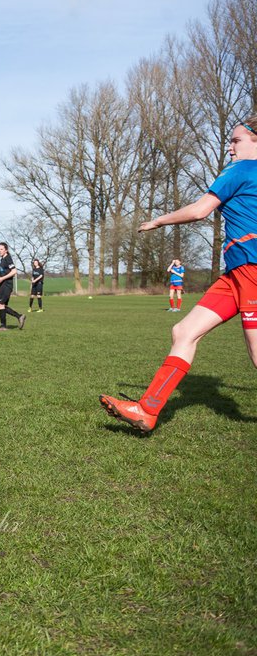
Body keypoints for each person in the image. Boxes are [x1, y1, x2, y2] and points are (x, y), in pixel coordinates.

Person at [101, 118, 257, 432]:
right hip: (234, 275)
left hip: (252, 272)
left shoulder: (240, 169)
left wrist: (158, 221)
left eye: (236, 141)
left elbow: (200, 210)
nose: (230, 147)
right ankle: (147, 410)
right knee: (183, 331)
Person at [0, 242, 25, 331]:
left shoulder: (8, 258)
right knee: (0, 305)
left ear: (6, 250)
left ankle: (4, 326)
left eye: (1, 249)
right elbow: (3, 273)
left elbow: (14, 271)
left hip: (7, 285)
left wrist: (2, 278)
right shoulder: (2, 259)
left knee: (1, 304)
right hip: (3, 284)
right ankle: (19, 316)